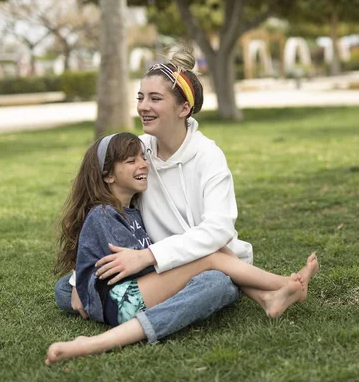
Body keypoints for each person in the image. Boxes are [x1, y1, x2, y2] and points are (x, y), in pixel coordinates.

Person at [52, 42, 318, 351]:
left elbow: (218, 231)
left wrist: (148, 256)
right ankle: (267, 292)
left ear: (183, 109)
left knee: (216, 284)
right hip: (150, 272)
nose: (142, 107)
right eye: (140, 97)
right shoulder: (137, 152)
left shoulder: (208, 156)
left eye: (154, 98)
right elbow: (101, 205)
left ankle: (132, 325)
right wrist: (78, 283)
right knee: (65, 288)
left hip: (211, 263)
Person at [46, 132, 318, 364]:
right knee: (209, 257)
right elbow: (110, 266)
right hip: (120, 300)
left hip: (133, 293)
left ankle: (267, 298)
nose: (143, 165)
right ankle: (284, 283)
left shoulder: (132, 212)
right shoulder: (105, 215)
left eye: (143, 158)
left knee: (217, 251)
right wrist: (81, 285)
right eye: (131, 161)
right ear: (107, 176)